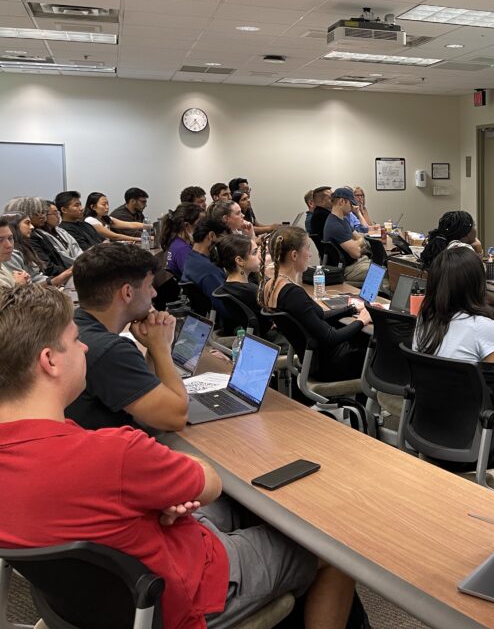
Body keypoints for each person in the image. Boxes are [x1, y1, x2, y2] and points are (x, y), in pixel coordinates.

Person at [0, 282, 363, 629]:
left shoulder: (43, 447)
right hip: (181, 595)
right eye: (76, 340)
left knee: (235, 510)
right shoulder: (114, 452)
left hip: (95, 601)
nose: (84, 349)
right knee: (334, 551)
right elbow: (210, 483)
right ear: (49, 360)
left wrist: (153, 499)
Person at [413, 246, 494, 465]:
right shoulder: (482, 326)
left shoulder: (423, 322)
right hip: (477, 445)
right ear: (476, 284)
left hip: (428, 434)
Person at [65, 243, 189, 431]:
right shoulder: (109, 350)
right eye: (149, 286)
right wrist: (161, 348)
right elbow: (175, 418)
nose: (154, 293)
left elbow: (144, 391)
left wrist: (153, 348)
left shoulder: (75, 326)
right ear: (128, 293)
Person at [259, 226, 371, 382]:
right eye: (307, 249)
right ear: (294, 255)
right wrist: (362, 320)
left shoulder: (271, 286)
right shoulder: (293, 294)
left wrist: (351, 309)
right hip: (330, 365)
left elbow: (313, 317)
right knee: (379, 351)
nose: (310, 254)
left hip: (314, 362)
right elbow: (331, 337)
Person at [3, 198, 77, 279]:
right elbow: (46, 269)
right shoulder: (29, 239)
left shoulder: (38, 233)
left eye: (43, 212)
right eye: (36, 213)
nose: (42, 216)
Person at [215, 234, 273, 337]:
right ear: (240, 261)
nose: (259, 257)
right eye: (254, 253)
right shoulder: (253, 291)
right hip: (266, 338)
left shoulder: (227, 287)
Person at [1, 213, 73, 286]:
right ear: (14, 226)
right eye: (27, 223)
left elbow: (34, 279)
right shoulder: (9, 254)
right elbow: (23, 287)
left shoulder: (25, 246)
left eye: (10, 238)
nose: (32, 227)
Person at [181, 217, 230, 316]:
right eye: (222, 240)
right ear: (211, 236)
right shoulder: (209, 271)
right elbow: (226, 307)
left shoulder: (192, 258)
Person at [323, 188, 371, 287]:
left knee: (385, 267)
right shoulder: (335, 225)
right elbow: (356, 253)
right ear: (342, 201)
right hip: (350, 268)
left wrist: (358, 241)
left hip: (357, 263)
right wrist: (360, 241)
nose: (353, 207)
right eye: (351, 204)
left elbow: (360, 237)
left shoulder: (342, 220)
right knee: (385, 273)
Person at [159, 203, 204, 278]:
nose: (203, 227)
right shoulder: (182, 250)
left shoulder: (176, 242)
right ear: (186, 226)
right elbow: (197, 277)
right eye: (200, 224)